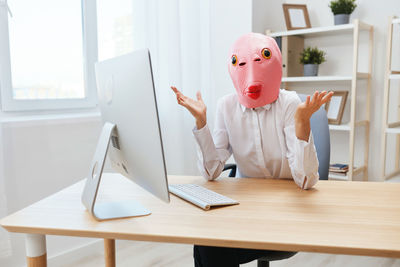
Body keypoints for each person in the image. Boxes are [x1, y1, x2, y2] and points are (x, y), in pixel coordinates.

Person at [171, 32, 333, 267]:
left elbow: (307, 180)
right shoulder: (226, 106)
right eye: (241, 64)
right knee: (206, 238)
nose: (250, 73)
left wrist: (302, 124)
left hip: (289, 212)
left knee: (212, 248)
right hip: (246, 209)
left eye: (262, 59)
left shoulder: (289, 104)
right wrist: (201, 124)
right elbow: (211, 171)